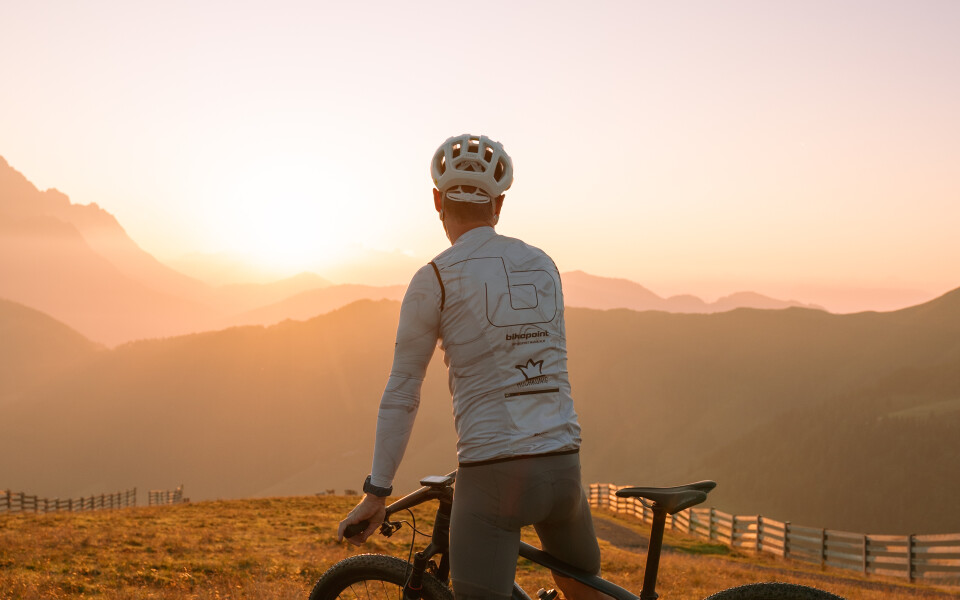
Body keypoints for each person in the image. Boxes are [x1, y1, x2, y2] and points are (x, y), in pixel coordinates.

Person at [338, 134, 605, 599]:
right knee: (585, 592)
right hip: (565, 468)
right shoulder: (544, 265)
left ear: (437, 200)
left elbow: (403, 391)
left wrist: (377, 491)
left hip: (493, 476)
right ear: (498, 204)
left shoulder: (434, 278)